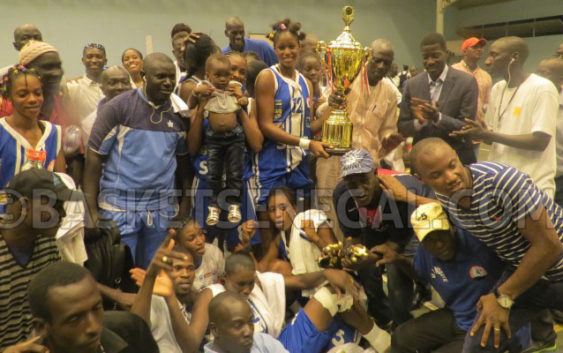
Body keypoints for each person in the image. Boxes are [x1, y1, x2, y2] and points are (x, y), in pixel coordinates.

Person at [410, 137, 563, 351]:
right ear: (421, 179)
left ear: (456, 154)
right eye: (437, 175)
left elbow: (550, 247)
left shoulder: (502, 182)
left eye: (452, 165)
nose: (451, 177)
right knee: (479, 344)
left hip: (556, 268)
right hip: (524, 275)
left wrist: (502, 296)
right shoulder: (445, 197)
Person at [84, 52, 191, 269]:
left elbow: (183, 164)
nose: (168, 82)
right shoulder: (119, 107)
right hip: (119, 207)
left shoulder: (179, 113)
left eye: (171, 77)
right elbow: (93, 156)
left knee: (155, 277)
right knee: (123, 275)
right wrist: (92, 210)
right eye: (161, 76)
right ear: (143, 76)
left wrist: (185, 205)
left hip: (161, 209)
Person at [384, 203, 529, 353]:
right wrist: (398, 260)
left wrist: (504, 301)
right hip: (458, 316)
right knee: (400, 337)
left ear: (451, 226)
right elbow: (420, 275)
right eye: (429, 240)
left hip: (492, 322)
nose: (439, 244)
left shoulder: (479, 240)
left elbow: (523, 269)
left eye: (442, 233)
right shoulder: (424, 253)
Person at [199, 253, 389, 353]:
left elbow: (301, 282)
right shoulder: (212, 295)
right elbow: (190, 341)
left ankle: (377, 334)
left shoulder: (257, 284)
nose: (248, 289)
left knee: (333, 294)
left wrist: (327, 273)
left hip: (279, 345)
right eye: (240, 284)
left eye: (250, 282)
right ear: (224, 279)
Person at [332, 149, 435, 327]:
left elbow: (394, 248)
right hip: (377, 219)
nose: (358, 189)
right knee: (366, 270)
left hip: (416, 216)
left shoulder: (399, 193)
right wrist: (353, 257)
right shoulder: (342, 194)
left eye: (364, 180)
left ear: (375, 173)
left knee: (398, 273)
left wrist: (369, 258)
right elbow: (353, 237)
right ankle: (381, 317)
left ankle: (403, 324)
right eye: (352, 183)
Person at [252, 19, 330, 253]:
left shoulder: (306, 81)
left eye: (291, 47)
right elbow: (266, 126)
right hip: (271, 163)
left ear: (299, 48)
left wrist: (332, 112)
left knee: (299, 225)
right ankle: (272, 279)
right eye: (281, 48)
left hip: (299, 163)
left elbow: (307, 127)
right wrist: (307, 143)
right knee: (270, 230)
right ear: (274, 50)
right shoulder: (267, 77)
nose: (287, 52)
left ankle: (299, 274)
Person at [316, 39, 404, 241]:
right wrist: (331, 103)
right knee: (330, 207)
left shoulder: (390, 92)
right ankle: (334, 258)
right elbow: (321, 113)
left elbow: (388, 130)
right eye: (377, 61)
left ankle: (360, 260)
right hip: (334, 158)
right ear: (366, 58)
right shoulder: (345, 79)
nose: (381, 66)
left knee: (361, 215)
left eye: (386, 63)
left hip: (365, 167)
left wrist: (390, 145)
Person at [452, 36, 559, 197]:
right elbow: (491, 138)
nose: (487, 61)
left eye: (494, 55)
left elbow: (540, 141)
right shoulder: (498, 88)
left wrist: (490, 135)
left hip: (532, 187)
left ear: (514, 58)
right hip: (501, 186)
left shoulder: (542, 88)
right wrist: (476, 133)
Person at [3, 261, 158, 353]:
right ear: (42, 327)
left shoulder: (129, 330)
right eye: (75, 319)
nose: (94, 327)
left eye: (97, 308)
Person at [0, 169, 79, 348]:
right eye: (55, 206)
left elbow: (64, 282)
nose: (63, 215)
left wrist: (116, 296)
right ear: (24, 206)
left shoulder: (46, 244)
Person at [398, 32, 479, 165]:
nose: (430, 61)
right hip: (423, 163)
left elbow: (466, 127)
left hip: (456, 161)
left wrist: (438, 117)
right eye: (425, 57)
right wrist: (420, 122)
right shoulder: (412, 85)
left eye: (435, 56)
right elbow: (402, 126)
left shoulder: (466, 82)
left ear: (446, 53)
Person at [189, 53, 248, 225]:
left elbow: (245, 103)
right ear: (207, 74)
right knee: (213, 173)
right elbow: (190, 104)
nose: (223, 79)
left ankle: (234, 204)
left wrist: (240, 96)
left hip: (235, 137)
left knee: (235, 173)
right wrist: (196, 92)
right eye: (217, 75)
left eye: (226, 74)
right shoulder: (204, 87)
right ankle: (214, 206)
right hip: (213, 139)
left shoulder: (235, 86)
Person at [131, 236, 207, 353]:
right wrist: (150, 279)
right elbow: (137, 332)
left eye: (190, 268)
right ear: (164, 271)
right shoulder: (156, 300)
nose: (185, 274)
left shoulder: (193, 298)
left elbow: (192, 347)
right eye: (178, 268)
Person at [250, 185, 337, 279]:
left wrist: (316, 238)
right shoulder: (280, 238)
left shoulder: (312, 217)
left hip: (333, 284)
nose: (277, 214)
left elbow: (337, 258)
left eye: (283, 208)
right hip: (308, 287)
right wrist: (247, 244)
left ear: (295, 208)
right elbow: (261, 271)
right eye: (272, 210)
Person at [0, 65, 65, 189]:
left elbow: (60, 183)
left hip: (43, 207)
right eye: (23, 94)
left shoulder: (54, 134)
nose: (32, 99)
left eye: (37, 93)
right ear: (9, 97)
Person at [81, 66, 132, 143]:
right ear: (102, 89)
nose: (120, 87)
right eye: (113, 83)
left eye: (125, 82)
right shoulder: (90, 123)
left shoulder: (145, 113)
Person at [537, 58, 563, 206]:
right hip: (539, 175)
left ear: (561, 79)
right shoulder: (535, 98)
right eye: (537, 72)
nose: (538, 77)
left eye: (544, 73)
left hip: (559, 176)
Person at [65, 43, 107, 126]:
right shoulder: (74, 87)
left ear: (105, 61)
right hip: (85, 137)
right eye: (89, 57)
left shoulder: (114, 87)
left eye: (98, 57)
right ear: (83, 60)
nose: (94, 60)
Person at [452, 37, 492, 121]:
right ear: (465, 50)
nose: (479, 49)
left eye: (481, 47)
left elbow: (487, 103)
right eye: (475, 47)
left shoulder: (486, 76)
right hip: (457, 122)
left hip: (479, 125)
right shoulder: (453, 71)